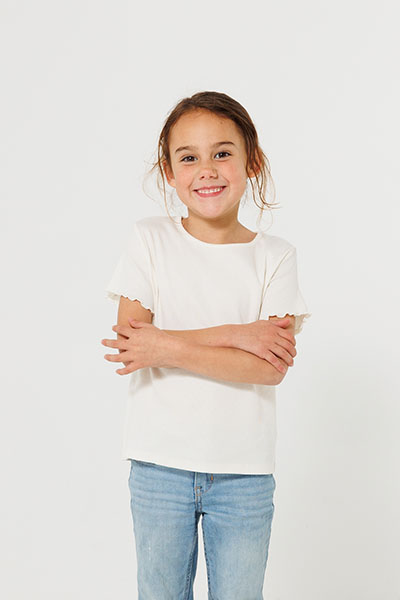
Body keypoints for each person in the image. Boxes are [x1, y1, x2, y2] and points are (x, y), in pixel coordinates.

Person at [102, 91, 311, 600]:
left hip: (244, 475)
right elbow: (132, 345)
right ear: (169, 172)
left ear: (251, 161)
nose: (207, 170)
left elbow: (269, 368)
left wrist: (164, 345)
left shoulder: (276, 256)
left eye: (222, 152)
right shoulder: (149, 240)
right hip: (158, 465)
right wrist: (237, 335)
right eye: (188, 157)